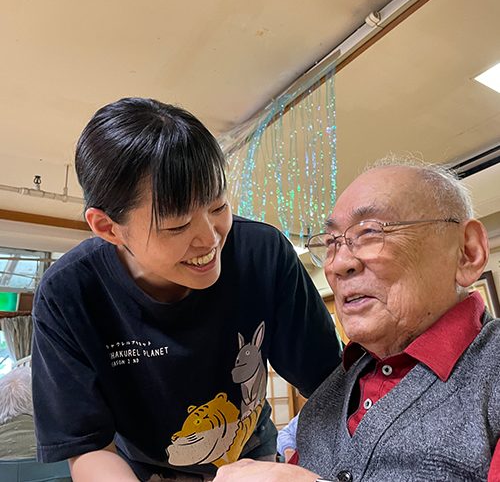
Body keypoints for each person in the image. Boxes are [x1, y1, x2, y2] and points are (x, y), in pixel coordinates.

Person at [31, 97, 341, 482]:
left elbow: (330, 385)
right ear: (108, 228)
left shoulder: (262, 253)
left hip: (249, 456)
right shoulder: (69, 293)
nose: (210, 240)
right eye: (177, 226)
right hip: (142, 471)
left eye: (218, 207)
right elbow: (87, 446)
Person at [213, 159, 500, 482]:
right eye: (331, 242)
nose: (338, 264)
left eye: (370, 232)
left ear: (467, 252)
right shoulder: (327, 396)